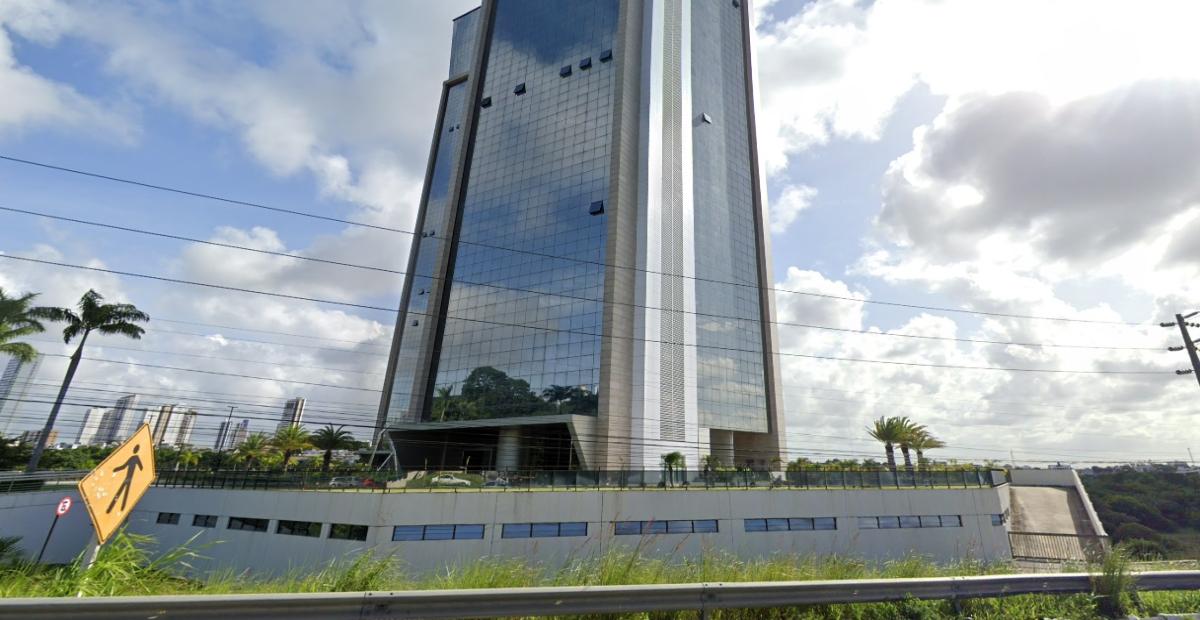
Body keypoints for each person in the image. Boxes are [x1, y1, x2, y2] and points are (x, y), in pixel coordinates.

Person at [106, 444, 145, 514]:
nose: (134, 450)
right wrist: (116, 469)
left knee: (124, 492)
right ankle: (118, 507)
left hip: (130, 479)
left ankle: (119, 507)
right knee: (123, 492)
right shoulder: (132, 458)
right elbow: (124, 466)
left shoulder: (136, 458)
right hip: (128, 478)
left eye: (135, 449)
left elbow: (141, 467)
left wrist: (116, 469)